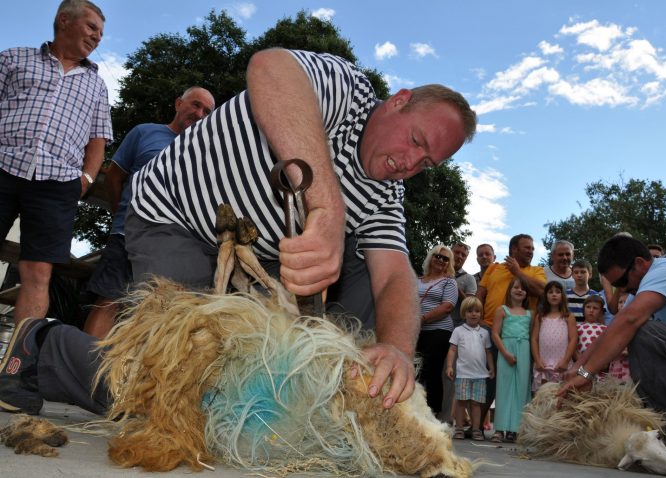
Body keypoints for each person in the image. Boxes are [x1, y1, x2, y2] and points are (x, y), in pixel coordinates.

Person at [0, 49, 476, 417]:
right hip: (176, 218)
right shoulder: (346, 88)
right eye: (416, 141)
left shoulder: (385, 195)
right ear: (398, 102)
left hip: (256, 261)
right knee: (174, 384)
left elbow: (395, 276)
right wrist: (327, 208)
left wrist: (395, 347)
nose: (411, 163)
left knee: (226, 397)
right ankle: (43, 346)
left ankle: (323, 393)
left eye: (427, 163)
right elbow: (270, 68)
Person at [559, 235, 666, 473]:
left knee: (644, 336)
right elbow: (614, 327)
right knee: (646, 344)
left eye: (622, 280)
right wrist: (577, 368)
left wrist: (587, 373)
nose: (622, 289)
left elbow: (631, 321)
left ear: (641, 263)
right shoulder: (641, 285)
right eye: (616, 285)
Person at [0, 0, 113, 325]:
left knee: (38, 272)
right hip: (3, 166)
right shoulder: (13, 58)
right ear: (64, 20)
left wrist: (87, 181)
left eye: (101, 33)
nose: (97, 37)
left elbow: (97, 143)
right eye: (92, 27)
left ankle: (15, 361)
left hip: (56, 184)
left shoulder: (96, 85)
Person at [83, 86, 215, 338]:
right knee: (109, 300)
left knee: (161, 313)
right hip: (127, 235)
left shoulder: (206, 153)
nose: (199, 114)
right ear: (178, 103)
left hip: (177, 248)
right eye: (195, 105)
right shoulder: (145, 132)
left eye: (207, 111)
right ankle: (85, 370)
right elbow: (114, 176)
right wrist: (122, 214)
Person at [477, 234, 545, 432]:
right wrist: (478, 319)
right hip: (489, 328)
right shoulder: (494, 268)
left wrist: (518, 272)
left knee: (521, 383)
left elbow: (542, 290)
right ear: (513, 249)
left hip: (521, 337)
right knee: (488, 379)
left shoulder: (536, 270)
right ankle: (478, 425)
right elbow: (480, 294)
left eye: (532, 248)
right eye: (527, 248)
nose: (531, 251)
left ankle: (516, 427)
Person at [416, 245, 458, 415]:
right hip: (416, 331)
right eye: (437, 256)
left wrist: (422, 319)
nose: (440, 260)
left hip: (438, 330)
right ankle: (414, 410)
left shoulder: (449, 282)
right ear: (430, 258)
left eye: (445, 258)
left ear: (449, 263)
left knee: (432, 372)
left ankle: (433, 413)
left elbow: (447, 307)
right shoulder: (416, 280)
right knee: (415, 371)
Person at [446, 296, 494, 441]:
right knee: (461, 402)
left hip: (480, 374)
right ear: (463, 313)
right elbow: (452, 350)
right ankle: (459, 428)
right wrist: (449, 366)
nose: (474, 314)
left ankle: (476, 429)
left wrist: (491, 368)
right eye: (470, 311)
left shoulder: (484, 333)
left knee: (476, 403)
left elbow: (488, 352)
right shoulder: (458, 331)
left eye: (477, 311)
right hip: (463, 374)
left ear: (481, 313)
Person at [490, 277, 532, 444]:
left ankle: (515, 429)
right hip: (506, 347)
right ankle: (499, 428)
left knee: (522, 389)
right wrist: (505, 353)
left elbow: (532, 335)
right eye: (516, 287)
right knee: (504, 388)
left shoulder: (530, 314)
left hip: (524, 349)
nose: (519, 290)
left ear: (526, 293)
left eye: (523, 288)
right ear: (510, 290)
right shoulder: (502, 310)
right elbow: (495, 333)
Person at [440, 241, 477, 423]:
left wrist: (455, 287)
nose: (460, 256)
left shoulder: (468, 279)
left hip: (456, 331)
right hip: (435, 329)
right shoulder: (438, 272)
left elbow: (472, 305)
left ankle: (447, 419)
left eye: (464, 254)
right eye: (457, 253)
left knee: (450, 375)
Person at [530, 281, 577, 392]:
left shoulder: (568, 317)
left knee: (561, 396)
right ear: (545, 296)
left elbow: (573, 339)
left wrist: (565, 361)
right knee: (543, 397)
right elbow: (534, 339)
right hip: (543, 365)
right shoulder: (540, 316)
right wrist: (537, 360)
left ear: (563, 296)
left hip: (562, 366)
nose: (554, 294)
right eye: (550, 292)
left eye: (558, 292)